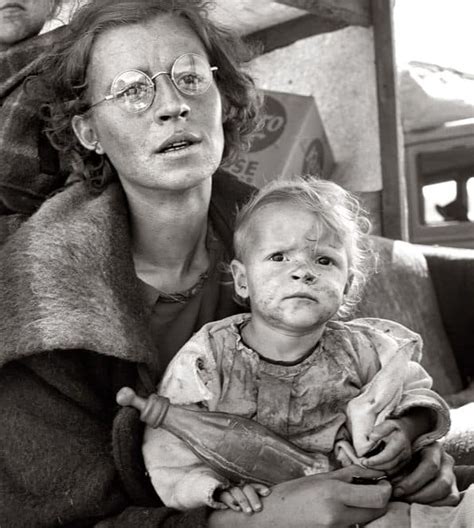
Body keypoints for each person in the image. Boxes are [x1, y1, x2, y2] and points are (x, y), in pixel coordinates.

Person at [0, 1, 463, 527]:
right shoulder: (34, 300)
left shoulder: (295, 242)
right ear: (89, 133)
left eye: (191, 78)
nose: (173, 105)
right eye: (133, 89)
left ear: (223, 100)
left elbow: (363, 391)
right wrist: (248, 522)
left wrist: (411, 450)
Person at [134, 178, 472, 526]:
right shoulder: (209, 357)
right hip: (266, 513)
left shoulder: (366, 349)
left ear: (348, 284)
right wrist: (214, 491)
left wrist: (407, 428)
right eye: (279, 257)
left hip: (376, 503)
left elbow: (415, 393)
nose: (302, 272)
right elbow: (169, 443)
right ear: (242, 279)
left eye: (324, 261)